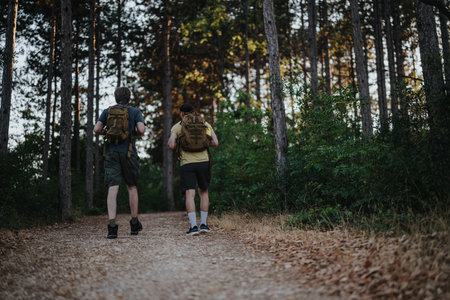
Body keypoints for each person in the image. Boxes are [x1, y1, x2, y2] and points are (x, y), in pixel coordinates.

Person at [94, 86, 146, 239]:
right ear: (129, 98)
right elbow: (141, 130)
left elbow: (96, 129)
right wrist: (131, 133)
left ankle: (111, 227)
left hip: (111, 153)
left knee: (112, 188)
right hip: (129, 153)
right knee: (132, 187)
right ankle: (134, 223)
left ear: (116, 97)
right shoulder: (135, 112)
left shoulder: (107, 111)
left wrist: (107, 132)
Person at [168, 103, 219, 235]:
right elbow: (215, 143)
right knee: (204, 192)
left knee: (190, 194)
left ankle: (193, 227)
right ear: (194, 113)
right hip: (204, 162)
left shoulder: (178, 126)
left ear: (181, 114)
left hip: (187, 163)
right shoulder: (205, 124)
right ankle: (204, 224)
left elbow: (171, 145)